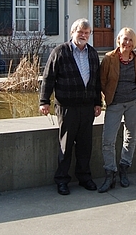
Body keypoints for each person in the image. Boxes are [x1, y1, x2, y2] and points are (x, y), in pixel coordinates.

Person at [39, 18, 102, 196]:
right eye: (80, 32)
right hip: (67, 106)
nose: (83, 35)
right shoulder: (60, 52)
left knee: (85, 145)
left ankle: (84, 177)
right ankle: (62, 180)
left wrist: (98, 103)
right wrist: (44, 101)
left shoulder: (92, 53)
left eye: (87, 32)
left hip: (87, 107)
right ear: (73, 32)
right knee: (65, 146)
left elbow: (96, 81)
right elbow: (48, 78)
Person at [98, 27, 136, 193]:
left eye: (131, 40)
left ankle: (124, 168)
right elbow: (101, 81)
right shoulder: (109, 59)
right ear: (119, 40)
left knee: (130, 137)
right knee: (108, 139)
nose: (127, 42)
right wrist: (106, 98)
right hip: (114, 104)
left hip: (133, 104)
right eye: (125, 39)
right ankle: (110, 172)